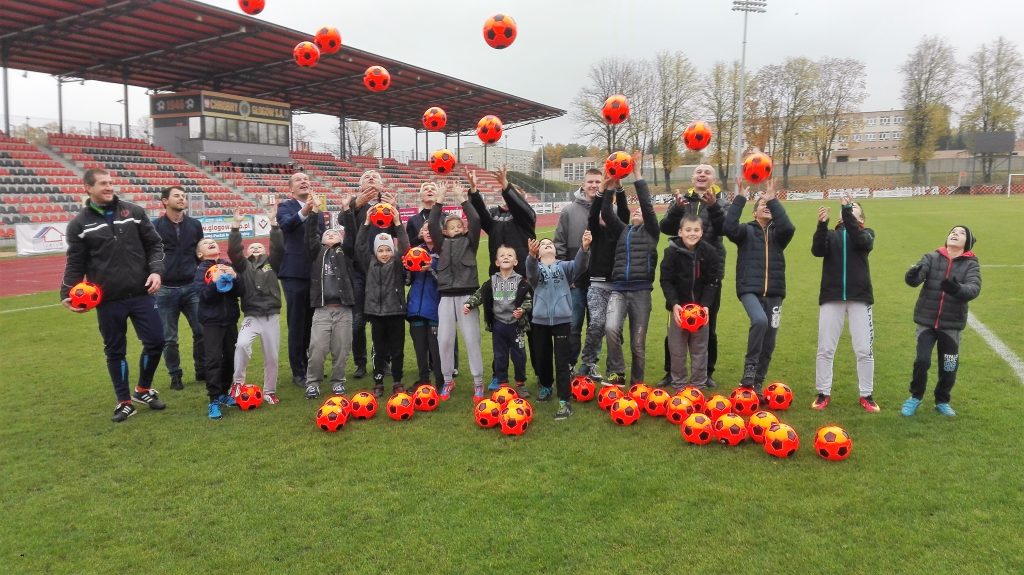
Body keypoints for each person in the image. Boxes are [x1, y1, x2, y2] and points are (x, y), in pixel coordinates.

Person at [61, 168, 166, 423]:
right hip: (108, 300)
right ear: (88, 188)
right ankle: (124, 402)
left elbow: (155, 245)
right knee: (115, 351)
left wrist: (156, 272)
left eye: (110, 183)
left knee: (156, 341)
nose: (109, 187)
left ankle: (143, 389)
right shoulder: (79, 225)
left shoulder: (135, 212)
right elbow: (75, 262)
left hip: (141, 293)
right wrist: (67, 292)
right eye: (103, 184)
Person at [720, 178, 796, 397]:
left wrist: (773, 200)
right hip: (749, 290)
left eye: (767, 204)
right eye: (761, 204)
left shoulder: (778, 235)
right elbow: (728, 226)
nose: (765, 206)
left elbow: (789, 227)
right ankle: (750, 369)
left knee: (770, 339)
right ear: (754, 213)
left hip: (775, 293)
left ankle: (757, 383)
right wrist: (741, 198)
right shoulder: (745, 232)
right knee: (759, 321)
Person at [656, 165, 730, 388]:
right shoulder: (682, 200)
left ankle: (706, 373)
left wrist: (713, 205)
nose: (702, 175)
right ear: (692, 177)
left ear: (713, 178)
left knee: (709, 325)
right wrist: (677, 210)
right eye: (698, 171)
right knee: (675, 325)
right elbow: (666, 227)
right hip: (681, 272)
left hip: (708, 272)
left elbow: (726, 228)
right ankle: (671, 372)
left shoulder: (721, 200)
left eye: (707, 172)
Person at [901, 226, 981, 417]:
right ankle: (915, 397)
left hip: (951, 325)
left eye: (961, 233)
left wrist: (956, 288)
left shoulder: (971, 264)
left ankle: (942, 400)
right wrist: (912, 275)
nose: (955, 234)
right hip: (926, 322)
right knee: (922, 361)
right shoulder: (932, 257)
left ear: (967, 242)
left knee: (949, 365)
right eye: (953, 231)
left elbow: (974, 288)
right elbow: (916, 278)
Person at [811, 194, 879, 412]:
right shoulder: (831, 235)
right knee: (825, 348)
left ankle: (866, 395)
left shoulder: (867, 234)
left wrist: (848, 211)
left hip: (860, 297)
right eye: (848, 208)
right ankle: (823, 393)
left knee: (863, 350)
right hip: (832, 296)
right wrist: (822, 225)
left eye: (854, 207)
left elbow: (860, 240)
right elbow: (817, 250)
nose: (849, 209)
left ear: (861, 217)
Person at [602, 158, 659, 388]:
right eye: (633, 211)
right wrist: (608, 188)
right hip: (618, 290)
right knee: (611, 328)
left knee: (637, 344)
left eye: (640, 212)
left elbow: (646, 204)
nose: (637, 212)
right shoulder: (622, 230)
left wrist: (637, 176)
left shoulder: (652, 232)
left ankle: (637, 384)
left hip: (641, 292)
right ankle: (618, 373)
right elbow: (607, 213)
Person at [428, 180, 485, 401]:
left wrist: (463, 199)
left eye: (459, 226)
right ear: (445, 231)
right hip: (446, 298)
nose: (456, 228)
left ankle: (478, 383)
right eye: (451, 226)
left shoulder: (470, 242)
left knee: (472, 340)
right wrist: (439, 200)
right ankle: (447, 380)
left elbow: (476, 219)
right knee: (444, 340)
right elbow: (432, 224)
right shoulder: (441, 243)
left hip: (467, 297)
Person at [527, 233, 591, 419]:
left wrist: (584, 248)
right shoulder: (536, 267)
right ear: (538, 252)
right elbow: (531, 273)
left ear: (555, 251)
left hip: (562, 320)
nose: (547, 245)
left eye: (550, 244)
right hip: (540, 321)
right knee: (543, 357)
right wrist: (530, 257)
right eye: (543, 244)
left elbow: (580, 265)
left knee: (562, 361)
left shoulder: (565, 267)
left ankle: (564, 400)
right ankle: (546, 387)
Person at [660, 214, 723, 390]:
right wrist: (674, 303)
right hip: (679, 310)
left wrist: (705, 306)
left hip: (701, 311)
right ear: (680, 232)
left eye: (696, 230)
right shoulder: (671, 252)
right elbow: (666, 281)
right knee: (677, 349)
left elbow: (713, 281)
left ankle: (698, 385)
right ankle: (679, 384)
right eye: (688, 230)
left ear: (702, 232)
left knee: (700, 349)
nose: (692, 233)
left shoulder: (710, 252)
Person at [228, 208, 284, 405]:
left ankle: (269, 391)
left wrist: (273, 223)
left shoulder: (273, 263)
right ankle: (237, 383)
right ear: (247, 252)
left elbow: (278, 247)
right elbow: (233, 251)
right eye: (252, 247)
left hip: (271, 316)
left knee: (272, 357)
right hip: (252, 316)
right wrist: (235, 227)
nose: (256, 249)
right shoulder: (242, 266)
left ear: (265, 250)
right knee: (242, 345)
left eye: (260, 247)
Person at [153, 186, 205, 390]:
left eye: (183, 196)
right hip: (165, 289)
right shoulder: (155, 226)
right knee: (169, 338)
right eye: (177, 196)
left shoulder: (194, 224)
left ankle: (202, 370)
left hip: (192, 287)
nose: (182, 199)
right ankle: (175, 375)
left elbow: (199, 253)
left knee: (201, 331)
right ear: (165, 201)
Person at [465, 245, 532, 399]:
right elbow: (479, 294)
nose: (506, 257)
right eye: (502, 255)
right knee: (500, 355)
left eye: (509, 255)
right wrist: (469, 303)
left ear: (515, 262)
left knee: (519, 355)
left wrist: (522, 310)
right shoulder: (492, 281)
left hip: (516, 326)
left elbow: (529, 300)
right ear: (497, 262)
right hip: (499, 325)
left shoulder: (521, 281)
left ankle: (520, 384)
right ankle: (502, 384)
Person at [579, 178, 630, 383]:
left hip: (618, 287)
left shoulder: (621, 232)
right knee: (597, 323)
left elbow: (624, 210)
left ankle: (613, 370)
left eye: (606, 213)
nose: (602, 216)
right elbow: (593, 213)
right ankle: (588, 362)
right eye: (600, 213)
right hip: (598, 285)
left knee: (612, 328)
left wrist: (618, 187)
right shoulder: (595, 232)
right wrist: (602, 189)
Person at [304, 201, 356, 399]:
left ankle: (338, 381)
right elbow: (309, 235)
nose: (331, 234)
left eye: (335, 233)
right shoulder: (317, 252)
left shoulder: (346, 252)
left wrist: (346, 211)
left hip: (344, 310)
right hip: (322, 310)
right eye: (327, 234)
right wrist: (314, 212)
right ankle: (313, 383)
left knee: (342, 350)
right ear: (321, 240)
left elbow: (352, 233)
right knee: (317, 349)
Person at [356, 210, 411, 397]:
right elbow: (359, 245)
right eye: (381, 250)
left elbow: (405, 246)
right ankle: (378, 382)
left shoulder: (397, 262)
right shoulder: (368, 262)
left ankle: (397, 381)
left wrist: (397, 222)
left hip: (395, 312)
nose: (385, 253)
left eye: (388, 249)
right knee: (379, 351)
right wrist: (365, 223)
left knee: (397, 351)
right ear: (375, 251)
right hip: (376, 314)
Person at [276, 171, 324, 388]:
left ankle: (309, 366)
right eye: (298, 180)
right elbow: (286, 226)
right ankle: (298, 371)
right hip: (294, 273)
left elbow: (321, 237)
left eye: (306, 179)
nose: (304, 181)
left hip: (314, 273)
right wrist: (305, 211)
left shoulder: (318, 210)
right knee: (296, 323)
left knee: (312, 324)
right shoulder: (285, 206)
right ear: (291, 189)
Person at [554, 167, 603, 370]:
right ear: (583, 185)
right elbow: (559, 246)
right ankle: (570, 364)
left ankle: (590, 363)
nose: (593, 185)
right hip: (575, 281)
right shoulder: (569, 211)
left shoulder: (610, 210)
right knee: (573, 326)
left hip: (601, 280)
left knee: (596, 326)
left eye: (597, 182)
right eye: (590, 182)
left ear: (603, 184)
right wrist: (566, 276)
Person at [344, 170, 390, 380]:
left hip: (383, 269)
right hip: (358, 271)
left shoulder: (388, 204)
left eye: (375, 177)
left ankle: (382, 360)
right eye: (366, 177)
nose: (371, 178)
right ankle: (360, 363)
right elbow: (342, 220)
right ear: (360, 185)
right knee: (358, 322)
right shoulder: (354, 203)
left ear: (382, 184)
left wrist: (391, 205)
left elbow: (399, 230)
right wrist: (356, 204)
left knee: (384, 319)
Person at [194, 238, 244, 419]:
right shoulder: (200, 270)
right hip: (212, 322)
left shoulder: (226, 264)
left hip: (230, 319)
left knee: (231, 357)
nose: (211, 243)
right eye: (206, 243)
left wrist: (236, 277)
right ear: (200, 254)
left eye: (213, 241)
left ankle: (224, 392)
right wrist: (214, 283)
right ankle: (214, 399)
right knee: (213, 359)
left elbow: (240, 291)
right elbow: (204, 297)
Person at [467, 166, 536, 276]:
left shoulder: (526, 214)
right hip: (498, 273)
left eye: (513, 194)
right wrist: (474, 190)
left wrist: (505, 184)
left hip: (523, 273)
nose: (507, 195)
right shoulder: (494, 213)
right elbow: (480, 213)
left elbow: (518, 205)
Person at [406, 226, 443, 393]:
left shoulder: (443, 251)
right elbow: (407, 281)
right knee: (420, 348)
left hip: (435, 307)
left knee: (436, 348)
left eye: (431, 229)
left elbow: (446, 281)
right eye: (425, 229)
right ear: (421, 233)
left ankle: (442, 382)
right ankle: (424, 380)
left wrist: (432, 270)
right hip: (415, 308)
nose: (428, 231)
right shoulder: (414, 251)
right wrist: (406, 268)